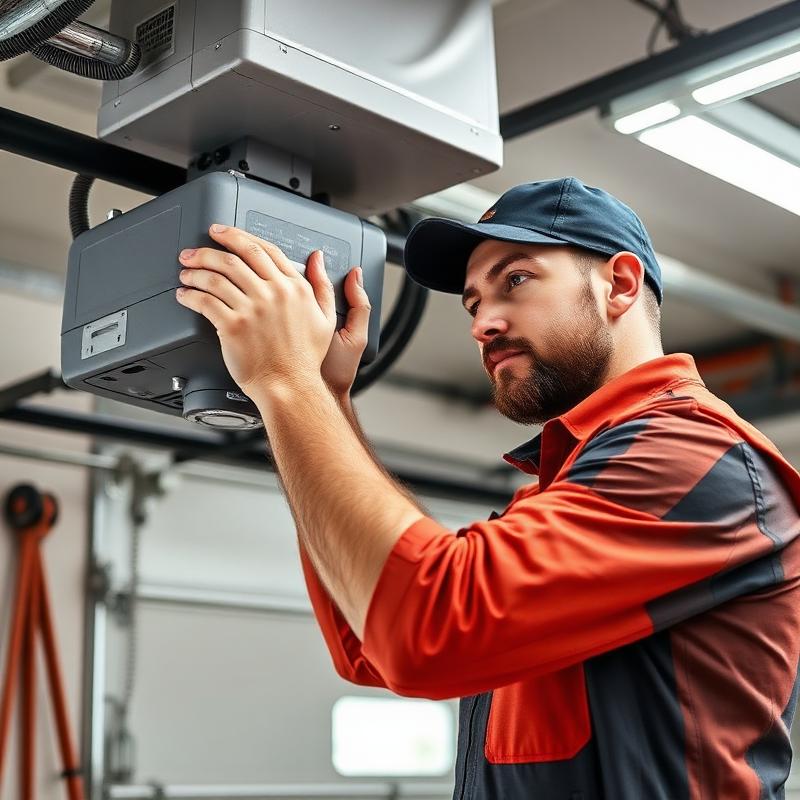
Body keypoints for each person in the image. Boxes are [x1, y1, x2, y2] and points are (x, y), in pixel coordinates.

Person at [175, 176, 800, 799]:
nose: (483, 323)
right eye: (473, 303)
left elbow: (427, 628)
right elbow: (371, 641)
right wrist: (326, 397)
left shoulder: (696, 453)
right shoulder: (567, 487)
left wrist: (287, 383)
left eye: (517, 279)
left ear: (620, 284)